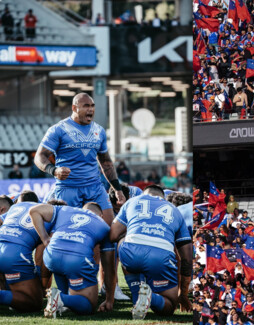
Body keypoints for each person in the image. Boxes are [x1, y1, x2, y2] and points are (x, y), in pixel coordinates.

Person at [34, 92, 126, 226]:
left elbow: (106, 162)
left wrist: (117, 189)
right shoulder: (58, 129)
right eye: (86, 106)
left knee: (108, 229)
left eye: (92, 106)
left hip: (94, 187)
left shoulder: (99, 131)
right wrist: (54, 170)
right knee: (67, 230)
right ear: (74, 108)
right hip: (68, 188)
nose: (90, 109)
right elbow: (39, 156)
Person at [110, 185, 193, 319]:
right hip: (161, 256)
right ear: (163, 198)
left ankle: (137, 295)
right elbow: (187, 258)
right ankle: (151, 298)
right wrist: (183, 295)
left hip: (131, 252)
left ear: (144, 193)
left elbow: (113, 235)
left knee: (122, 241)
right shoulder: (175, 210)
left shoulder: (133, 201)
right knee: (169, 306)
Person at [29, 202, 116, 317]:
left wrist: (45, 238)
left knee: (61, 265)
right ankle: (61, 298)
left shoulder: (66, 210)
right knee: (89, 306)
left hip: (51, 256)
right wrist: (109, 299)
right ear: (101, 215)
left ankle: (61, 299)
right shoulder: (104, 226)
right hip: (76, 259)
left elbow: (34, 211)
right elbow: (108, 269)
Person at [0, 194, 46, 312]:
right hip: (13, 254)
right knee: (35, 302)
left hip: (5, 248)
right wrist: (42, 281)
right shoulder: (44, 211)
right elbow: (42, 255)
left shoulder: (14, 210)